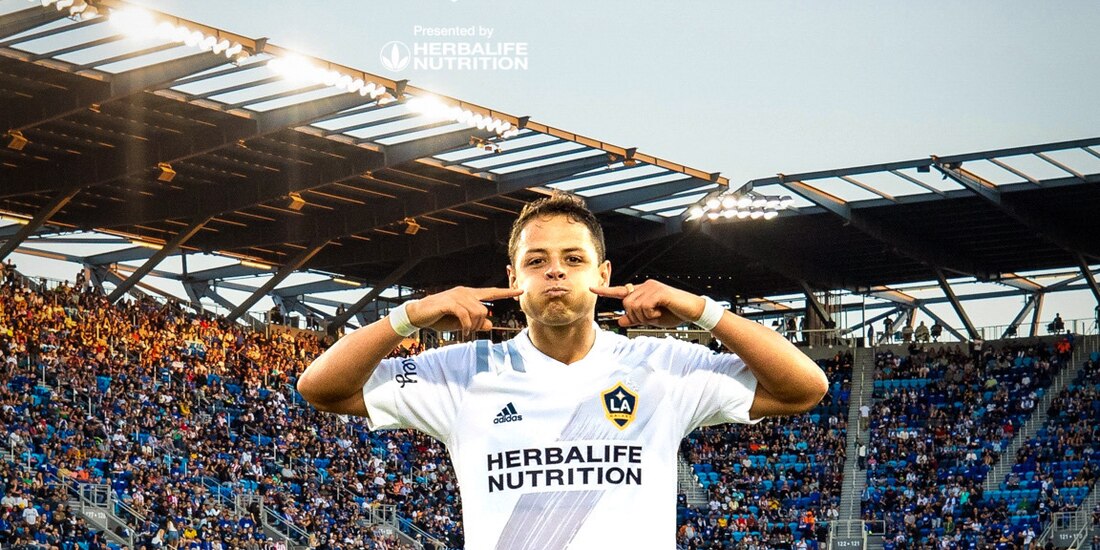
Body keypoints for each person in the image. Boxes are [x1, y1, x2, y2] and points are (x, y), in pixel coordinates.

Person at [297, 191, 828, 549]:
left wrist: (701, 310)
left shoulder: (664, 366)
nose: (555, 269)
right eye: (536, 260)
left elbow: (805, 387)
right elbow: (320, 388)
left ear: (604, 273)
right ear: (513, 277)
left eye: (573, 259)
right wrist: (409, 315)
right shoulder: (463, 372)